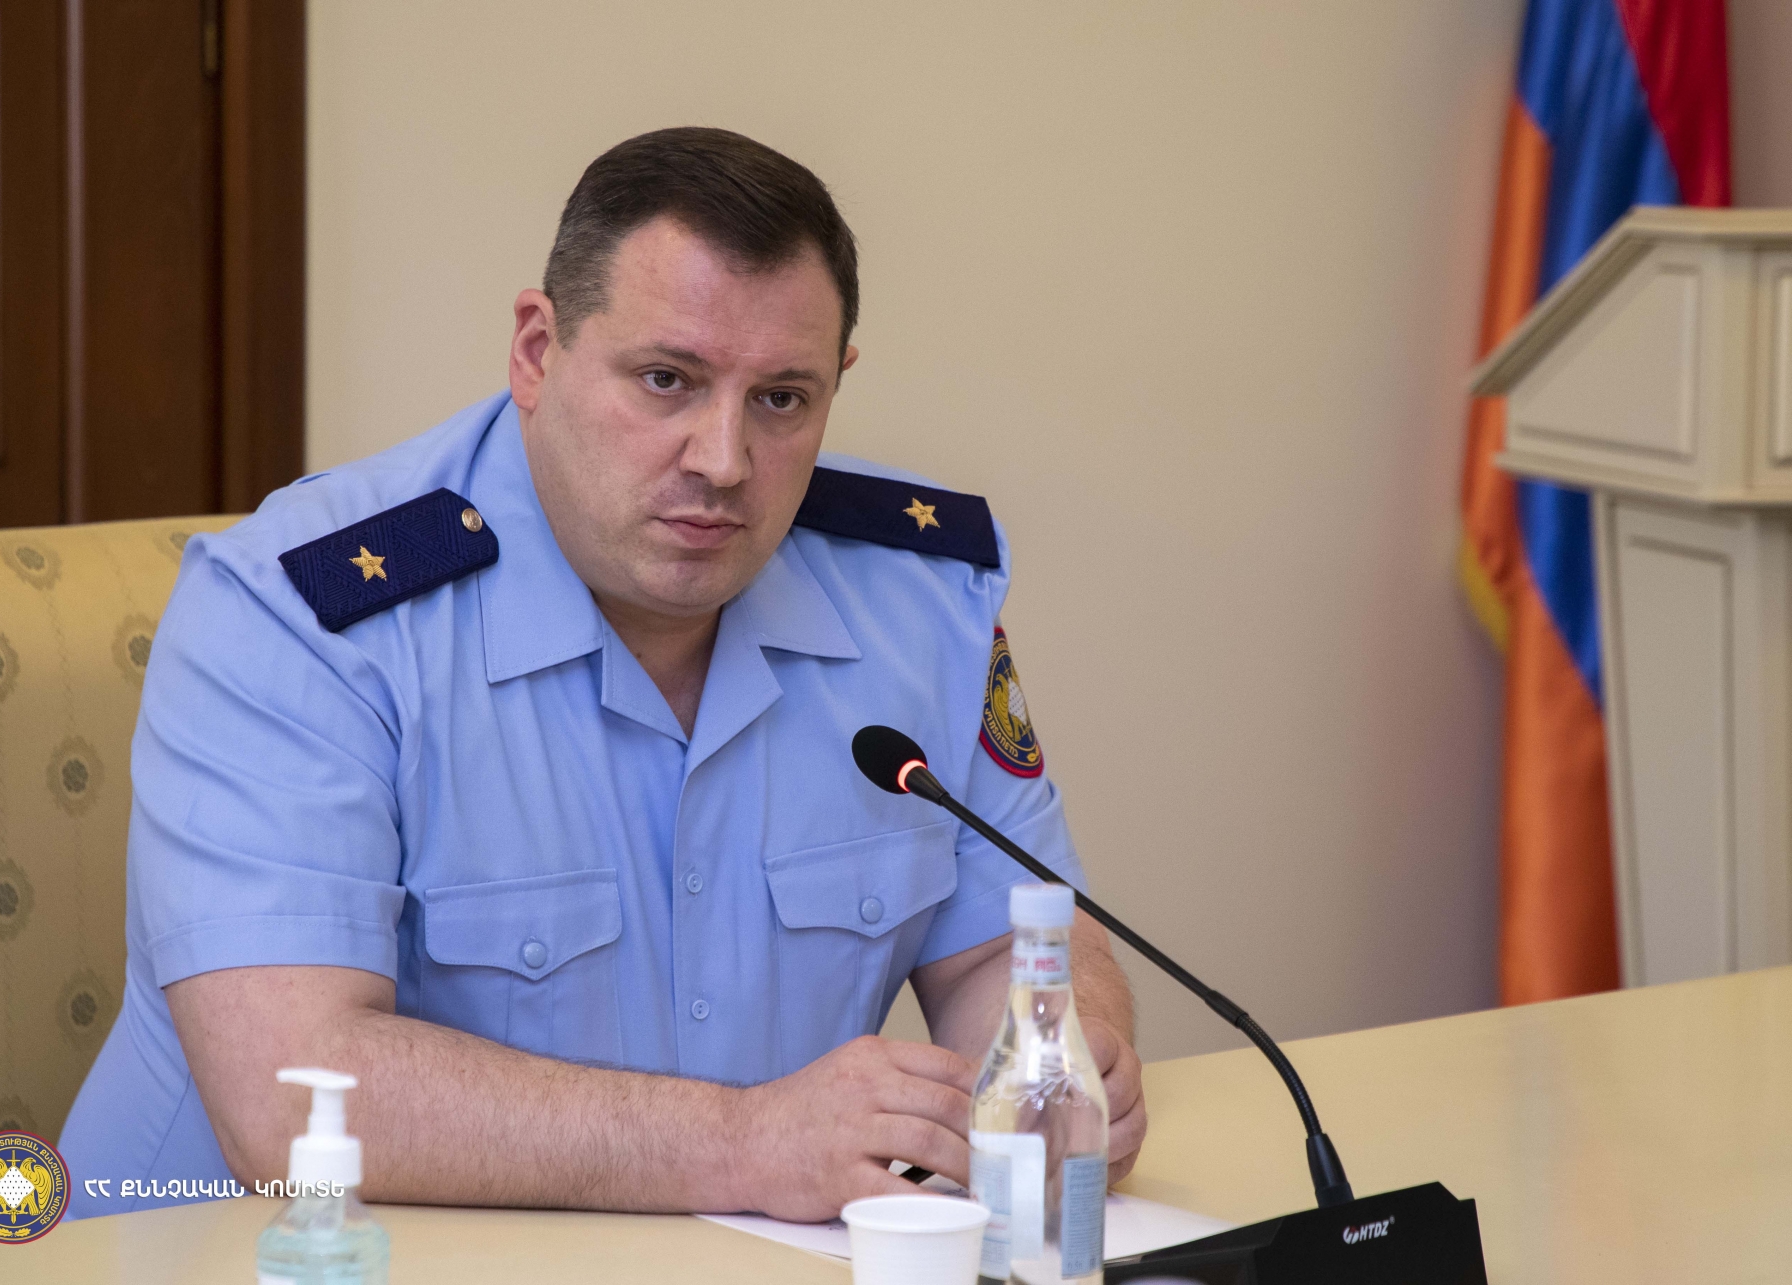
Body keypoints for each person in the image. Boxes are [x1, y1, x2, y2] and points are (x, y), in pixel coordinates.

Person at [61, 126, 1144, 1222]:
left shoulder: (921, 600)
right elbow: (292, 1099)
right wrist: (744, 1142)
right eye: (667, 380)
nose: (724, 460)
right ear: (538, 351)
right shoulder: (302, 614)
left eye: (781, 398)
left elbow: (1010, 947)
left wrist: (1057, 1060)